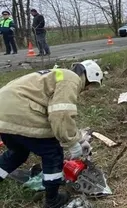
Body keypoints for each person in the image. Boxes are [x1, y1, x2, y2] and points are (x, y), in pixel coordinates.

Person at [0, 60, 103, 208]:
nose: (87, 90)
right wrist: (72, 143)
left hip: (4, 113)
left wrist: (79, 139)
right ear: (89, 76)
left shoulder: (57, 74)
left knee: (18, 152)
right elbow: (61, 114)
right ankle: (52, 200)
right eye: (90, 85)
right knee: (53, 153)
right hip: (21, 113)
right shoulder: (71, 79)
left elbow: (59, 117)